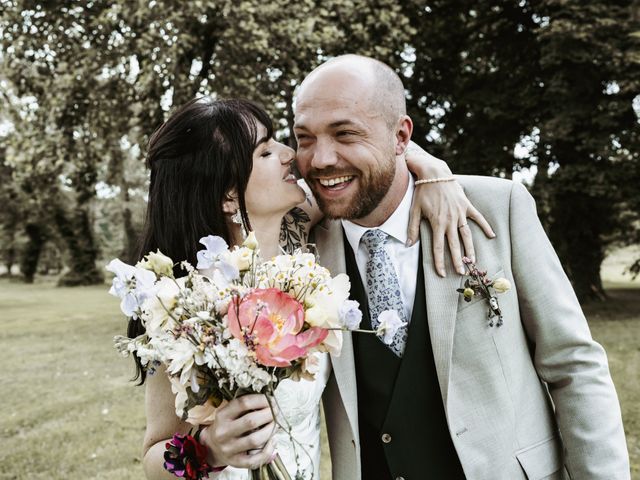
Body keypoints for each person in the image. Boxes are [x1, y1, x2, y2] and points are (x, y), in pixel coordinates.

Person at [294, 54, 630, 479]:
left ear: (401, 136)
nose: (321, 159)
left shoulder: (495, 207)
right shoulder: (299, 246)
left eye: (345, 133)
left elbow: (574, 366)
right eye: (305, 138)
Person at [133, 97, 493, 479]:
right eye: (266, 151)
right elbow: (154, 456)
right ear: (228, 195)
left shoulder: (302, 232)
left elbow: (375, 151)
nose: (290, 154)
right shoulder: (183, 305)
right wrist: (209, 449)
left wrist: (434, 171)